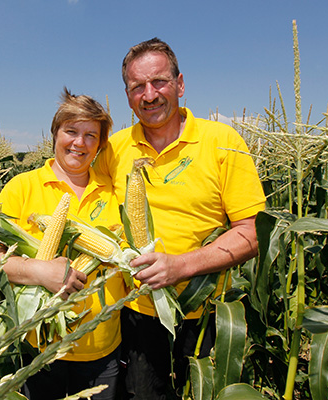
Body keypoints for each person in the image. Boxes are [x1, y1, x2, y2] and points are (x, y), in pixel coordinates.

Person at [93, 38, 266, 399]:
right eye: (137, 86)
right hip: (137, 314)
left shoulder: (223, 141)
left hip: (206, 317)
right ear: (127, 95)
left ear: (181, 84)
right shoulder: (114, 149)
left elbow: (253, 232)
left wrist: (181, 266)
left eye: (159, 82)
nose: (149, 94)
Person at [0, 88, 126, 400]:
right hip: (39, 344)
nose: (79, 143)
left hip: (101, 347)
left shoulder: (114, 192)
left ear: (100, 144)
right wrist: (39, 271)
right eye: (71, 131)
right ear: (55, 134)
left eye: (91, 135)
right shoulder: (22, 186)